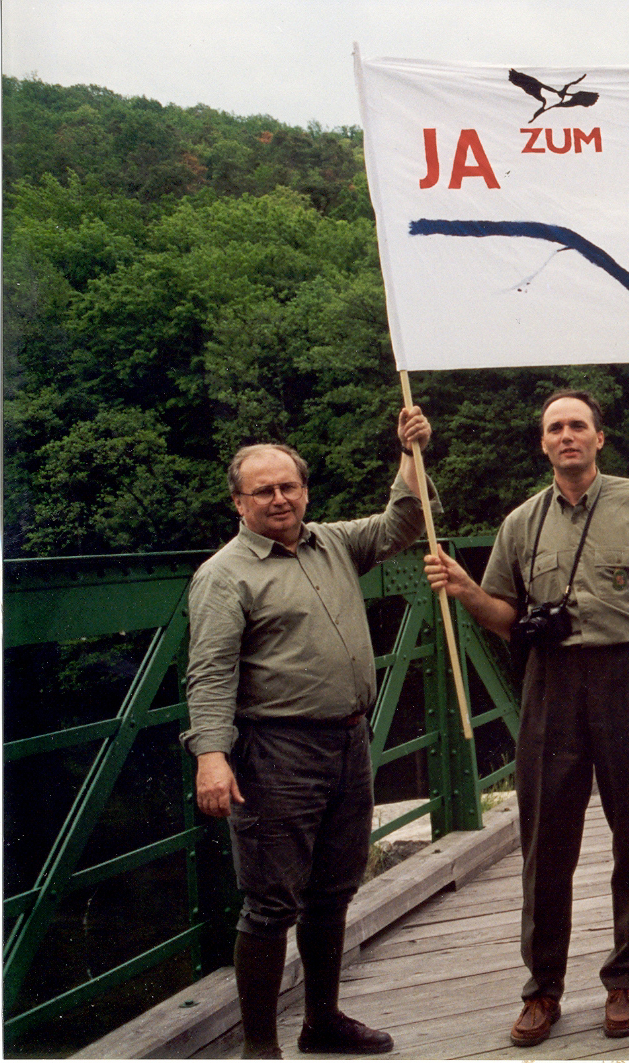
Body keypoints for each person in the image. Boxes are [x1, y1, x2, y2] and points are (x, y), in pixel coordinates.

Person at [424, 389, 629, 1048]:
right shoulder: (520, 522)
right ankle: (541, 988)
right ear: (544, 442)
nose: (567, 436)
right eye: (555, 427)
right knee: (545, 839)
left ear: (598, 437)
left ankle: (625, 978)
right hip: (550, 683)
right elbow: (505, 618)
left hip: (628, 676)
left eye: (577, 425)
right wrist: (467, 590)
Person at [183, 406, 435, 1059]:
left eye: (287, 486)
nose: (278, 498)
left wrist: (410, 452)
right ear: (238, 501)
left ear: (304, 490)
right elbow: (209, 675)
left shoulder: (330, 541)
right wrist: (211, 754)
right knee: (270, 901)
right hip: (275, 752)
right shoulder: (224, 574)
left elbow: (403, 522)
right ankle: (260, 1047)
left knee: (333, 889)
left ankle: (321, 1021)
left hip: (348, 742)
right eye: (262, 490)